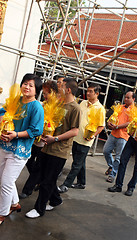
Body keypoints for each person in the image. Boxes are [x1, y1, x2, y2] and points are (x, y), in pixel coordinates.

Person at [25, 77, 81, 218]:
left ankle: (39, 209)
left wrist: (55, 138)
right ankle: (55, 199)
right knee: (44, 176)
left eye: (61, 86)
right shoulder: (58, 104)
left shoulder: (75, 108)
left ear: (68, 90)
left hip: (59, 151)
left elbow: (75, 131)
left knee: (47, 181)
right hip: (46, 146)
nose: (58, 88)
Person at [0, 73, 44, 225]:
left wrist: (16, 134)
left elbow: (36, 130)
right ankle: (14, 203)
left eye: (31, 85)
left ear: (36, 90)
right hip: (4, 145)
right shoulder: (16, 100)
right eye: (25, 83)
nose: (27, 87)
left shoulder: (36, 107)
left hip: (20, 150)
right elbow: (3, 112)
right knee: (4, 180)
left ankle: (2, 213)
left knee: (6, 183)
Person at [58, 83, 106, 193]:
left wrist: (93, 136)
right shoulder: (83, 103)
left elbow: (101, 126)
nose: (88, 93)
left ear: (97, 94)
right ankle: (81, 182)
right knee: (79, 161)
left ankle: (66, 184)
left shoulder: (100, 108)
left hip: (85, 140)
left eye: (91, 92)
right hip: (75, 137)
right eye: (87, 91)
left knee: (76, 164)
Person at [19, 80, 58, 199]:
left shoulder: (58, 107)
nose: (44, 96)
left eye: (47, 93)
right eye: (44, 93)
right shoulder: (41, 105)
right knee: (30, 162)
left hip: (47, 142)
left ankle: (28, 189)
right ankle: (41, 184)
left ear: (53, 93)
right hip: (36, 140)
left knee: (38, 167)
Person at [103, 91, 136, 183]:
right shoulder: (120, 107)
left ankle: (112, 174)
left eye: (128, 97)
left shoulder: (134, 110)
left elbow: (130, 123)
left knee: (118, 157)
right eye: (125, 97)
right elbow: (113, 117)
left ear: (133, 99)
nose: (126, 99)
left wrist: (117, 127)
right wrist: (109, 123)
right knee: (106, 151)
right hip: (113, 134)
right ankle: (111, 165)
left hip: (123, 136)